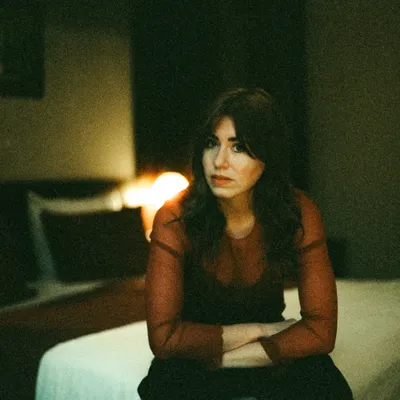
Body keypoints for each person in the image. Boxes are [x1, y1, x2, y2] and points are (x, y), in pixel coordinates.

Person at [138, 88, 353, 399]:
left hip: (248, 355)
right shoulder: (174, 217)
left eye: (238, 147)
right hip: (193, 355)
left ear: (268, 158)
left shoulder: (299, 211)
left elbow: (321, 332)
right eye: (212, 144)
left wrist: (229, 357)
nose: (219, 162)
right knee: (164, 386)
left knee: (328, 387)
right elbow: (164, 339)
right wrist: (261, 330)